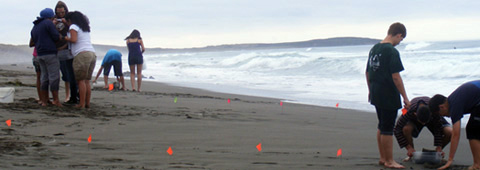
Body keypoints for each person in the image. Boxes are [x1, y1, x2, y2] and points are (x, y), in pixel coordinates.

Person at [366, 22, 410, 169]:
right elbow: (396, 77)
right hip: (388, 93)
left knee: (382, 125)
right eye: (401, 39)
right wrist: (405, 97)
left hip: (376, 91)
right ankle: (390, 161)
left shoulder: (374, 48)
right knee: (388, 128)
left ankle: (383, 157)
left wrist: (370, 90)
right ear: (398, 35)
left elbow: (367, 72)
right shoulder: (391, 51)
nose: (399, 42)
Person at [429, 80, 480, 170]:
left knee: (472, 130)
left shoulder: (454, 106)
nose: (443, 116)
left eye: (441, 114)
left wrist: (450, 159)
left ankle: (477, 165)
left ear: (442, 107)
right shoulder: (453, 100)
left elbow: (455, 134)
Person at [64, 11, 96, 108]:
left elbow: (74, 40)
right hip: (92, 53)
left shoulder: (73, 27)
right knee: (87, 81)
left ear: (70, 20)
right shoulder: (85, 28)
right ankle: (87, 103)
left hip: (81, 54)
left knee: (80, 81)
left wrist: (65, 38)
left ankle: (81, 104)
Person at [30, 8, 62, 107]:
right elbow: (56, 37)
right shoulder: (48, 23)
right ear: (50, 17)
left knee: (44, 77)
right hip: (50, 53)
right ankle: (56, 100)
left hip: (39, 55)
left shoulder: (35, 26)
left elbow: (33, 41)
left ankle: (44, 101)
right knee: (54, 77)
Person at [55, 1, 77, 104]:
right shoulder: (54, 21)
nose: (60, 15)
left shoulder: (69, 21)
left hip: (67, 49)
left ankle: (70, 95)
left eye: (62, 12)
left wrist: (66, 23)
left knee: (70, 74)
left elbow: (72, 32)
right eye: (58, 13)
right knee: (64, 74)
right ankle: (67, 95)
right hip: (58, 49)